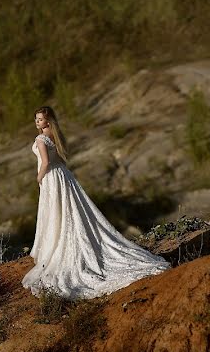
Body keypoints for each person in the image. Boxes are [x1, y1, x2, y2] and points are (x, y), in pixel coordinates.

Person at [21, 106, 170, 299]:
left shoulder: (41, 138)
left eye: (40, 119)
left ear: (48, 121)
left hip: (51, 177)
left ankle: (58, 246)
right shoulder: (57, 135)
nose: (37, 122)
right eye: (36, 119)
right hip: (63, 176)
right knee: (70, 211)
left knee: (57, 212)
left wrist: (39, 177)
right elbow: (60, 160)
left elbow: (46, 162)